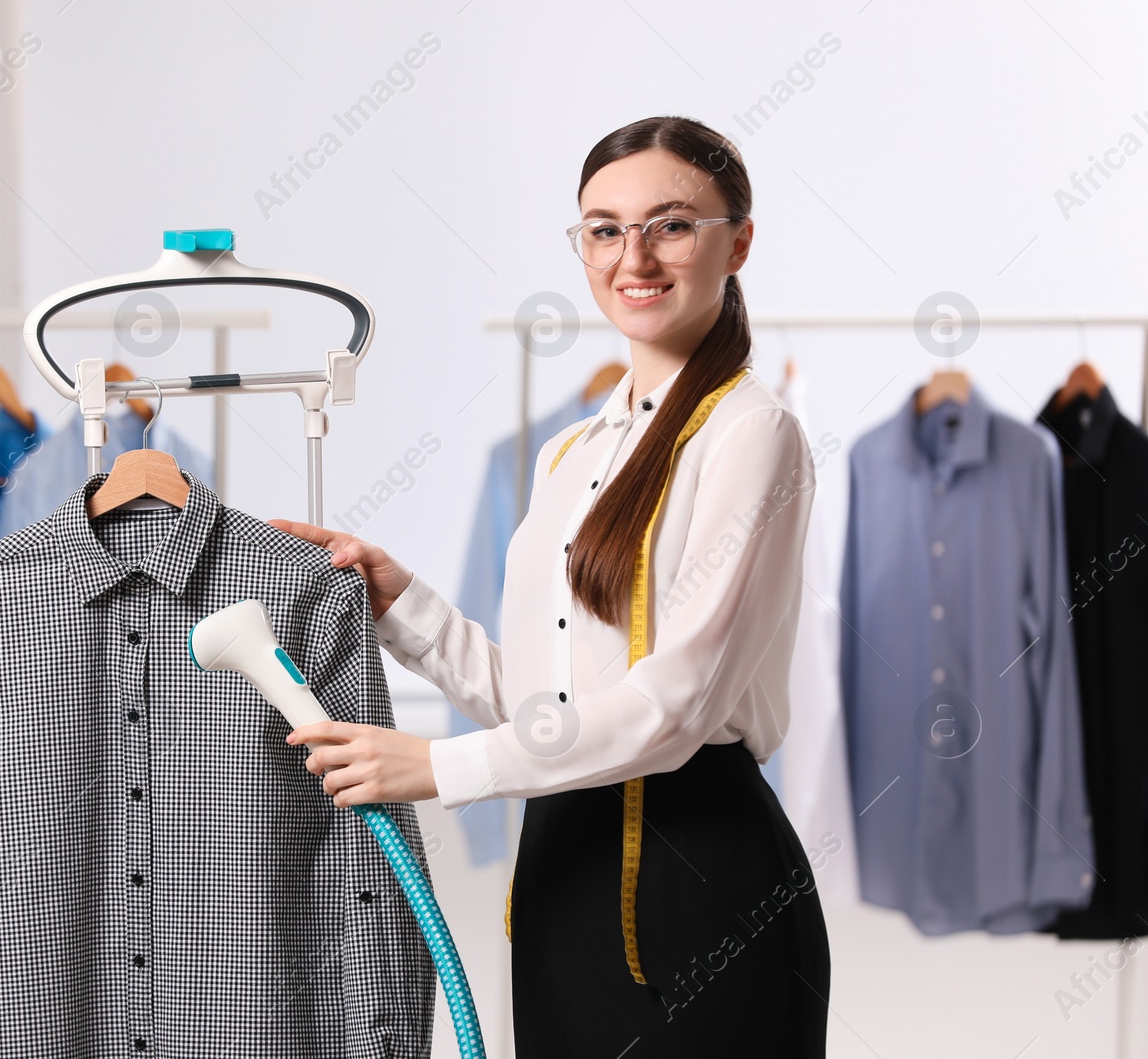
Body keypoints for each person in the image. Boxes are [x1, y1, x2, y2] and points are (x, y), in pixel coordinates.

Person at [271, 115, 832, 1056]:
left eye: (671, 224)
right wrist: (404, 604)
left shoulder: (753, 433)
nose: (634, 256)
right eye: (604, 228)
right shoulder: (569, 453)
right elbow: (545, 702)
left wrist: (440, 768)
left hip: (701, 881)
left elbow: (674, 706)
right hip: (561, 878)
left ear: (739, 240)